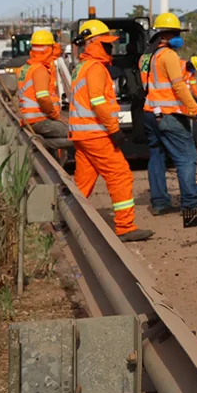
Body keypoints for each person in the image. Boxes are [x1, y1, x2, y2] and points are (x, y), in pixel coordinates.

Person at [69, 20, 152, 241]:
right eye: (106, 44)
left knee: (83, 183)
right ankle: (125, 227)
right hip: (96, 134)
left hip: (82, 134)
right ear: (94, 43)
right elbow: (98, 103)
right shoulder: (96, 68)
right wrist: (114, 130)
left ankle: (68, 219)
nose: (110, 48)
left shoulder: (82, 67)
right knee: (120, 175)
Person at [140, 12, 197, 216]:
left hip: (150, 113)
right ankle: (191, 203)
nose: (179, 37)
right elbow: (178, 87)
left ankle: (159, 203)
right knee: (186, 156)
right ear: (165, 35)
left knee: (157, 157)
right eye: (176, 33)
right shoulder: (168, 55)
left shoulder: (146, 57)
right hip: (168, 115)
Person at [16, 29, 71, 154]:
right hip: (40, 120)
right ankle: (45, 144)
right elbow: (43, 98)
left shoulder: (24, 69)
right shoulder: (40, 70)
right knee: (77, 132)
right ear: (48, 49)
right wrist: (56, 116)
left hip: (28, 119)